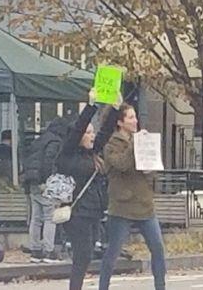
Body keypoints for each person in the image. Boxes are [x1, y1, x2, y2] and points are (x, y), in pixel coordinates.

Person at [99, 103, 166, 290]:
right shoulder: (111, 144)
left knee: (157, 248)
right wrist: (135, 145)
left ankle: (160, 286)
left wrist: (151, 165)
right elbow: (122, 164)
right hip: (122, 206)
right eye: (130, 117)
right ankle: (103, 286)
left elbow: (148, 168)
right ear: (120, 122)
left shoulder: (138, 139)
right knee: (113, 251)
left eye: (135, 116)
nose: (135, 121)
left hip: (144, 204)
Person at [57, 89, 119, 290]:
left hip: (92, 211)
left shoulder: (91, 154)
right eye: (88, 133)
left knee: (86, 254)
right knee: (82, 255)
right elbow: (77, 130)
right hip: (77, 212)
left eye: (92, 132)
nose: (92, 136)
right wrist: (91, 106)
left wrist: (115, 110)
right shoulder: (68, 154)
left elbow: (105, 134)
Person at [23, 117, 72, 263]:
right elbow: (49, 162)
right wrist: (47, 181)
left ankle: (35, 250)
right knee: (50, 217)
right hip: (45, 183)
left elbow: (29, 160)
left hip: (32, 182)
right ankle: (48, 251)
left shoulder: (39, 140)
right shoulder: (55, 142)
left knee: (36, 218)